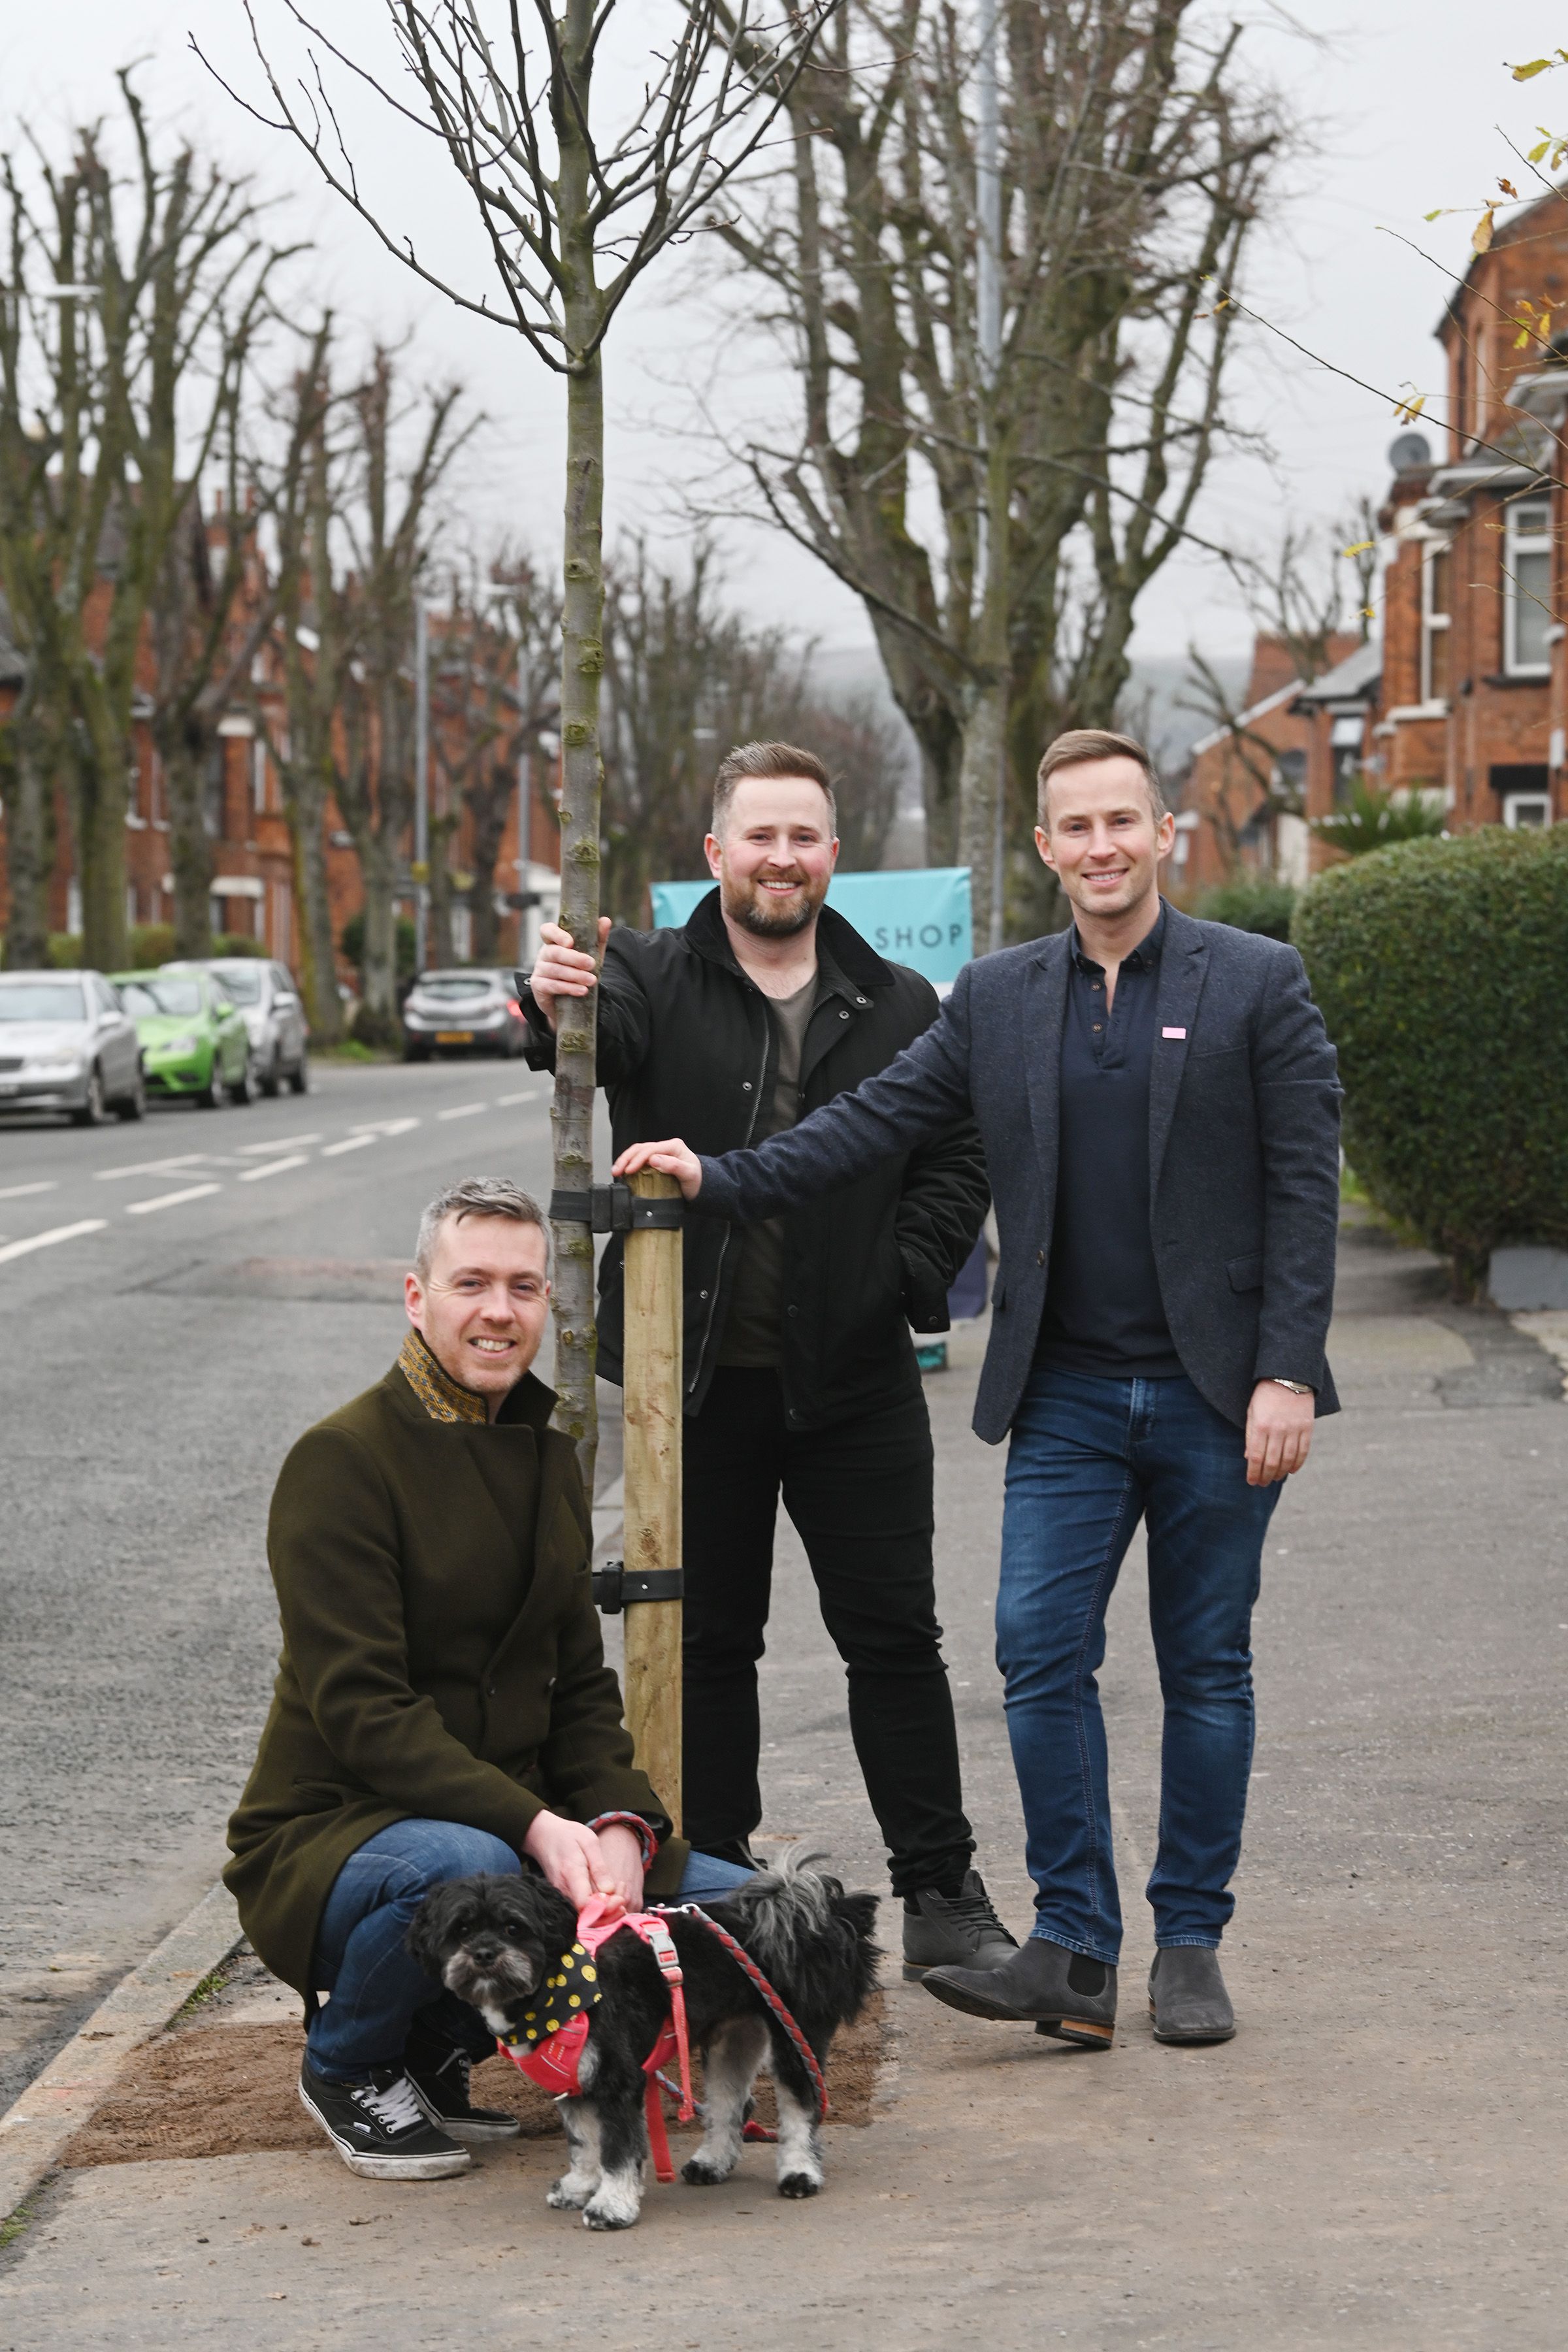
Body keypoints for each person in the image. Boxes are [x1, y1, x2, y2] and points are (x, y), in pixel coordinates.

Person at [612, 728, 1343, 2050]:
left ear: (1162, 832)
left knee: (1208, 1669)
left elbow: (1304, 1186)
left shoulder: (1256, 983)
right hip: (1062, 1389)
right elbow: (870, 1125)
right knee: (1036, 1655)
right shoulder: (1001, 998)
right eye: (1077, 826)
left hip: (1216, 1393)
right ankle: (1072, 1947)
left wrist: (1287, 1367)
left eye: (1125, 820)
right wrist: (722, 1176)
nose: (1103, 846)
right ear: (1050, 847)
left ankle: (1188, 1942)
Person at [522, 740, 1011, 1980]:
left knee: (896, 1641)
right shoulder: (645, 970)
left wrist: (907, 1276)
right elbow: (589, 1032)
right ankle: (718, 1890)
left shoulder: (900, 1003)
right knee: (708, 1644)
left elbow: (958, 1156)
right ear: (716, 855)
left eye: (805, 838)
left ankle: (942, 1897)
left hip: (855, 1385)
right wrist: (550, 998)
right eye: (760, 836)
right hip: (691, 1395)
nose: (782, 858)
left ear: (834, 857)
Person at [225, 1178, 755, 2182]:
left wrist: (617, 1826)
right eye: (471, 1283)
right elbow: (364, 1714)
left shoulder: (547, 1459)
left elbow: (579, 1692)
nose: (499, 1311)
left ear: (547, 1305)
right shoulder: (339, 1462)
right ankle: (350, 2064)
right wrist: (537, 1826)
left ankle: (438, 2048)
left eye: (523, 1287)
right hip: (339, 1833)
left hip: (510, 1826)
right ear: (417, 1298)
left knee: (749, 1913)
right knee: (469, 1866)